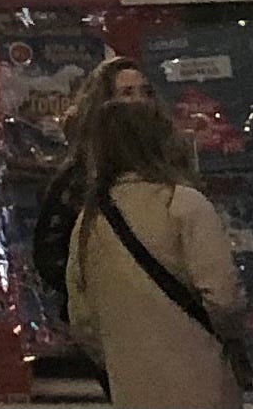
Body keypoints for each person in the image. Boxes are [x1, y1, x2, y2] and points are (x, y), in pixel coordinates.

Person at [64, 100, 243, 407]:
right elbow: (223, 299)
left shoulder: (88, 222)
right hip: (202, 383)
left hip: (132, 390)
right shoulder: (183, 204)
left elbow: (82, 319)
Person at [30, 56, 154, 319]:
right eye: (127, 93)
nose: (139, 101)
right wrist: (93, 297)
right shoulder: (80, 176)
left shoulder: (164, 165)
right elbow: (50, 254)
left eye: (145, 92)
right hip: (110, 316)